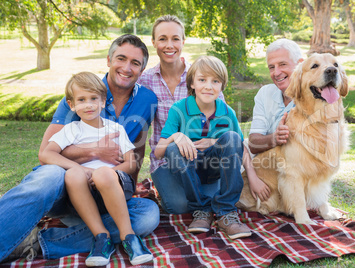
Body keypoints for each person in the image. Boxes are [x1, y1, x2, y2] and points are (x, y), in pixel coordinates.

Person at [0, 34, 159, 263]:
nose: (126, 67)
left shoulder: (146, 100)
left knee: (147, 215)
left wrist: (123, 182)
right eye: (120, 58)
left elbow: (136, 151)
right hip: (67, 183)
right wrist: (94, 151)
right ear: (108, 60)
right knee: (46, 178)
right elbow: (47, 152)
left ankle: (36, 243)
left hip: (108, 188)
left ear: (142, 69)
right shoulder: (81, 91)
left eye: (135, 63)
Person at [39, 72, 153, 266]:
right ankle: (101, 237)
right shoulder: (71, 130)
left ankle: (129, 236)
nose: (89, 104)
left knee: (144, 209)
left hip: (113, 185)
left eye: (94, 99)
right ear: (72, 104)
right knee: (73, 173)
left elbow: (131, 162)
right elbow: (46, 155)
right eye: (81, 100)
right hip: (82, 193)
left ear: (103, 102)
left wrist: (110, 172)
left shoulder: (115, 128)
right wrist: (80, 169)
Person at [154, 55, 252, 240]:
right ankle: (201, 209)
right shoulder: (178, 109)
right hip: (187, 170)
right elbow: (159, 152)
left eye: (215, 81)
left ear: (222, 86)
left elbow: (239, 146)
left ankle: (226, 212)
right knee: (173, 149)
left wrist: (252, 177)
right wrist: (177, 136)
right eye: (202, 80)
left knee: (231, 137)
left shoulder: (227, 112)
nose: (208, 86)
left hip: (215, 168)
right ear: (191, 83)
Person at [137, 15, 225, 214]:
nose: (169, 45)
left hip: (203, 159)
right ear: (153, 42)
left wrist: (213, 142)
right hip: (165, 160)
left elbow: (223, 122)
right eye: (162, 39)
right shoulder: (145, 81)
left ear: (183, 41)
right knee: (180, 206)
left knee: (211, 201)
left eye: (175, 39)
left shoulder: (201, 76)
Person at [246, 39, 304, 201]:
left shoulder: (311, 98)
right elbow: (253, 142)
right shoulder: (265, 93)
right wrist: (274, 138)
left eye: (282, 64)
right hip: (260, 166)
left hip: (293, 171)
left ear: (300, 64)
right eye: (272, 67)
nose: (276, 72)